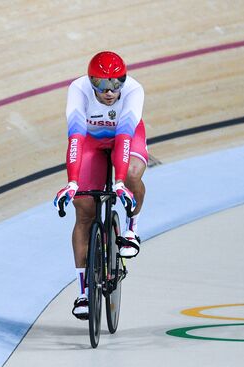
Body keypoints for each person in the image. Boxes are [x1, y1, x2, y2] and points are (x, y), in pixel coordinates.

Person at [53, 51, 148, 320]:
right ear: (91, 81)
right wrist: (72, 183)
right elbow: (75, 139)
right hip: (91, 143)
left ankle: (132, 229)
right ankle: (83, 292)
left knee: (130, 174)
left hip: (125, 139)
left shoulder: (134, 91)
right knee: (83, 208)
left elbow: (125, 136)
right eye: (103, 85)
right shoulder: (78, 90)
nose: (110, 91)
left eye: (117, 83)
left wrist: (119, 182)